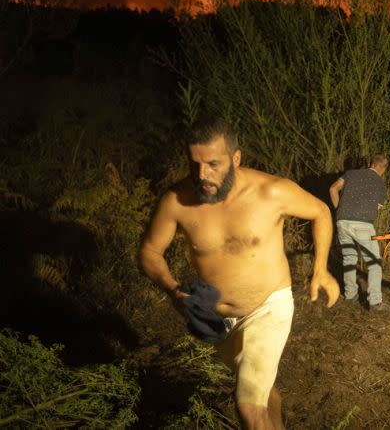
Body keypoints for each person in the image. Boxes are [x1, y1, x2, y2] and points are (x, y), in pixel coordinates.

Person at [138, 116, 339, 430]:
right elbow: (150, 252)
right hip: (217, 322)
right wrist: (172, 289)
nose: (202, 175)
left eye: (214, 164)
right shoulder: (177, 201)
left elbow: (321, 211)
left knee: (247, 404)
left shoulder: (271, 191)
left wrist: (321, 269)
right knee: (261, 387)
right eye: (195, 164)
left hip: (269, 306)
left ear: (236, 159)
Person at [329, 154, 388, 310]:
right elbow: (376, 208)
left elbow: (333, 188)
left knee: (349, 257)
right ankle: (375, 301)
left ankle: (350, 295)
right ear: (383, 169)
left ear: (370, 163)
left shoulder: (350, 174)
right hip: (363, 225)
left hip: (342, 222)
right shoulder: (381, 185)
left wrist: (339, 210)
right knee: (374, 263)